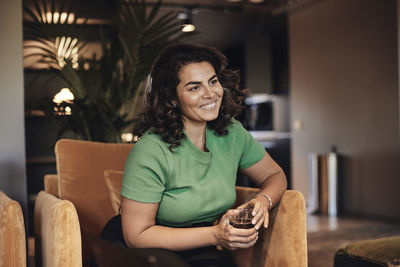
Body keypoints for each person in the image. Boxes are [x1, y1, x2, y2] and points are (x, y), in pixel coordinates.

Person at [117, 43, 287, 267]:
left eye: (213, 81)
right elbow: (136, 236)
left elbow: (275, 175)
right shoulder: (151, 150)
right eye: (194, 87)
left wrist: (262, 201)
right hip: (147, 254)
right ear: (171, 99)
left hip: (204, 250)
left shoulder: (232, 133)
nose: (210, 94)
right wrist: (215, 235)